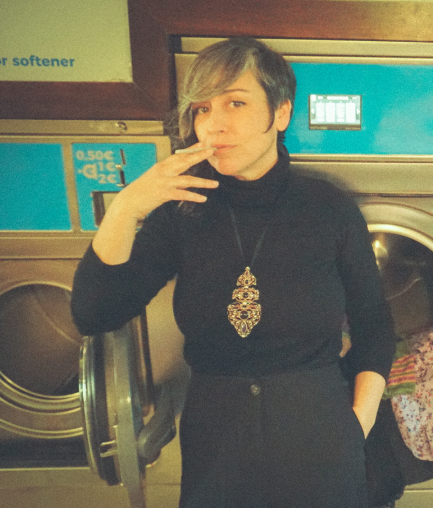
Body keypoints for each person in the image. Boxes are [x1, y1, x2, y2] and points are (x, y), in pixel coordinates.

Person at [71, 37, 397, 508]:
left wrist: (355, 426)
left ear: (280, 113)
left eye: (235, 103)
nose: (214, 124)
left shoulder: (329, 210)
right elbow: (94, 314)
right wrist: (127, 207)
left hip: (319, 436)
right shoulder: (182, 212)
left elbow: (375, 325)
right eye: (202, 109)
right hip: (216, 443)